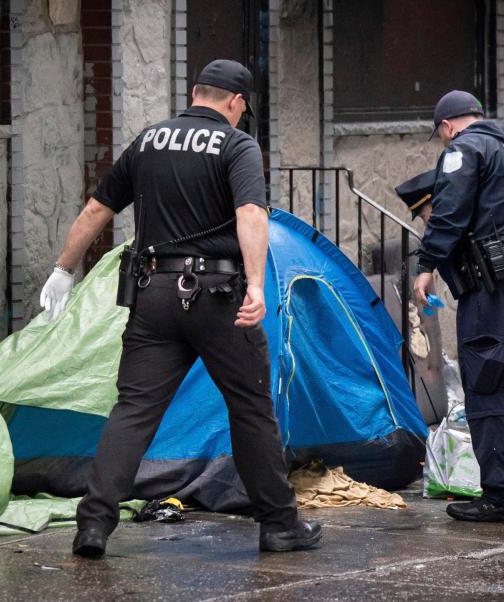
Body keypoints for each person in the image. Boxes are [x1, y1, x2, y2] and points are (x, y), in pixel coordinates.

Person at [39, 59, 321, 558]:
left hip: (153, 295)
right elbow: (251, 214)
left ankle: (94, 526)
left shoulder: (147, 140)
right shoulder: (237, 145)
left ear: (195, 93)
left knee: (133, 411)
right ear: (236, 103)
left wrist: (63, 269)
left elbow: (95, 209)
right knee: (251, 409)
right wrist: (256, 284)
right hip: (216, 296)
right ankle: (279, 525)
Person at [411, 90, 504, 523]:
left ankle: (503, 498)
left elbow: (448, 212)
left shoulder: (465, 147)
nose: (443, 143)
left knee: (491, 385)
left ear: (447, 126)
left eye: (441, 137)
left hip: (498, 284)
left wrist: (427, 264)